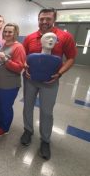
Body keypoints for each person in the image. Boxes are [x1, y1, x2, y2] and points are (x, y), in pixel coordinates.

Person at [21, 8, 77, 160]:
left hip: (50, 82)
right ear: (38, 20)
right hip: (30, 80)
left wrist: (59, 73)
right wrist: (24, 66)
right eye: (41, 19)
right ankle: (28, 130)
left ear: (54, 20)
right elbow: (23, 56)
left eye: (48, 19)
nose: (44, 22)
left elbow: (71, 57)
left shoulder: (65, 37)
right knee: (27, 106)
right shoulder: (30, 37)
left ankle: (45, 140)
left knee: (46, 112)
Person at [0, 23, 26, 136]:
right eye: (5, 31)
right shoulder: (4, 45)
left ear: (16, 33)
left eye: (10, 32)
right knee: (0, 106)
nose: (7, 34)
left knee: (5, 107)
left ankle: (5, 128)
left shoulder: (18, 47)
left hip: (9, 85)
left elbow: (19, 68)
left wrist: (5, 59)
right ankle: (1, 124)